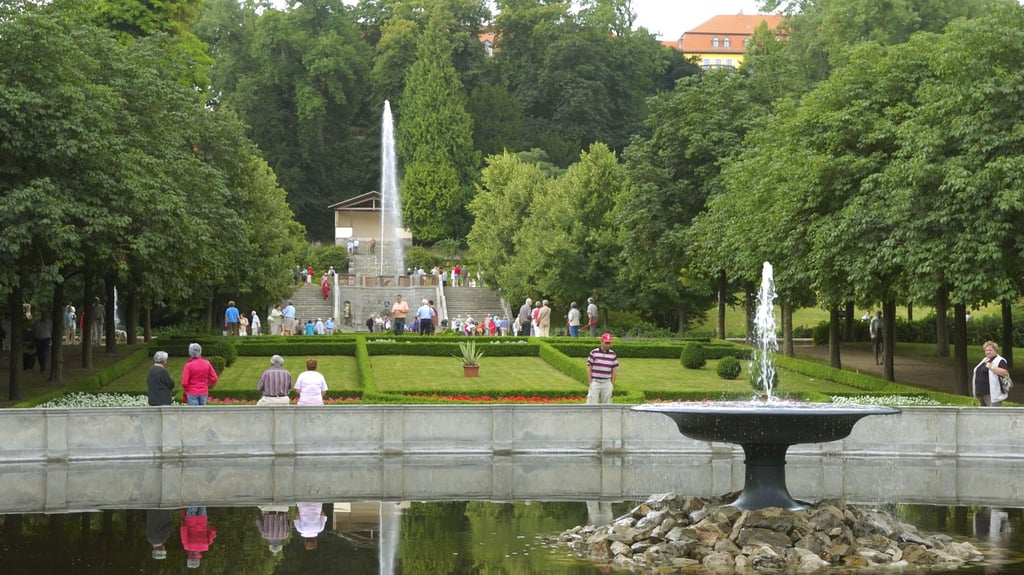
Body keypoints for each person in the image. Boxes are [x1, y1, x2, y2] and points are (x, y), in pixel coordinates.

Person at [972, 340, 1009, 407]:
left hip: (991, 394)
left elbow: (1005, 373)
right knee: (983, 415)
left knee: (993, 414)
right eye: (986, 350)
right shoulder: (984, 360)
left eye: (990, 350)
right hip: (981, 393)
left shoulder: (1000, 360)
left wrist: (991, 367)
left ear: (995, 350)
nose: (988, 352)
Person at [586, 333, 619, 405]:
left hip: (607, 382)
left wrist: (612, 383)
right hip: (595, 381)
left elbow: (614, 369)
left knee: (607, 405)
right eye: (606, 343)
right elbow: (589, 368)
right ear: (601, 342)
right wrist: (590, 383)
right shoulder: (593, 352)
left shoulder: (613, 354)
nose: (607, 345)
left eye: (609, 343)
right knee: (592, 403)